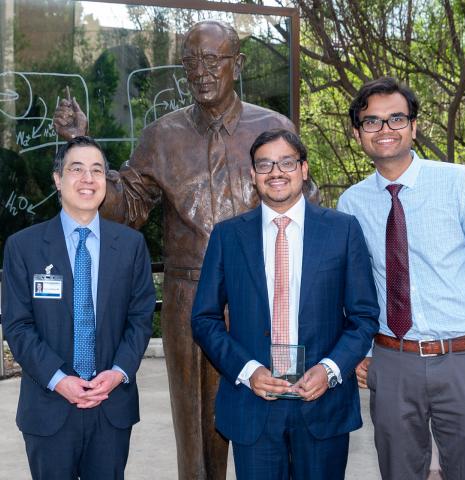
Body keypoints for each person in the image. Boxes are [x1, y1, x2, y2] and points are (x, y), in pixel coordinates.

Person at [53, 20, 319, 479]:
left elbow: (305, 205)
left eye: (213, 59)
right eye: (192, 61)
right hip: (189, 292)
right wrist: (78, 143)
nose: (202, 71)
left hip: (264, 287)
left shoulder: (273, 127)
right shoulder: (163, 135)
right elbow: (129, 204)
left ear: (238, 64)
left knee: (277, 413)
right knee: (195, 432)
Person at [191, 129, 379, 479]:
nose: (276, 172)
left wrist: (330, 369)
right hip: (254, 402)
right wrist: (248, 371)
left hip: (322, 402)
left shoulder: (343, 230)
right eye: (264, 164)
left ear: (303, 169)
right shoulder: (228, 235)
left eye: (286, 162)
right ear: (253, 175)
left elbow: (364, 316)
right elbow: (204, 319)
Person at [337, 77, 465, 480]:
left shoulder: (461, 183)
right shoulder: (351, 203)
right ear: (357, 133)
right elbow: (356, 287)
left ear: (414, 126)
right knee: (399, 472)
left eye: (396, 118)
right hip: (393, 359)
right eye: (372, 121)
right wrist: (361, 352)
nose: (385, 129)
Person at [1, 136, 156, 480]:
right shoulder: (23, 248)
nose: (88, 178)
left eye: (97, 170)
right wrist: (59, 380)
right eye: (77, 169)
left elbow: (141, 318)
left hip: (111, 406)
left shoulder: (131, 246)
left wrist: (118, 372)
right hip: (48, 406)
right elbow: (18, 325)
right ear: (58, 179)